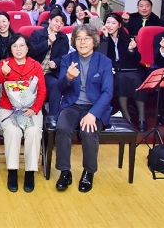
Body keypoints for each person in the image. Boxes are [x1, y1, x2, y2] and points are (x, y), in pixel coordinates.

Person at [55, 24, 113, 193]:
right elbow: (60, 88)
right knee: (62, 128)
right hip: (72, 105)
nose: (82, 42)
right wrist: (68, 78)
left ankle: (89, 172)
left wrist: (93, 113)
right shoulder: (68, 59)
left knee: (88, 131)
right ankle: (65, 171)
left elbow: (108, 92)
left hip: (95, 107)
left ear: (94, 41)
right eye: (78, 39)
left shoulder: (104, 62)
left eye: (86, 38)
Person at [0, 34, 47, 193]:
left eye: (21, 45)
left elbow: (42, 90)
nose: (18, 49)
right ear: (10, 48)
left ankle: (30, 172)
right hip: (8, 109)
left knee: (33, 131)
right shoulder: (4, 63)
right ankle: (12, 171)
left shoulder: (36, 65)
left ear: (27, 47)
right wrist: (3, 73)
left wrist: (35, 109)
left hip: (30, 109)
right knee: (13, 131)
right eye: (15, 46)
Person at [100, 13, 147, 131]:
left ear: (119, 25)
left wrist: (132, 50)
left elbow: (137, 59)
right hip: (113, 70)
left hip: (129, 68)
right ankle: (126, 116)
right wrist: (105, 38)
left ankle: (142, 118)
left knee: (137, 79)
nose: (110, 25)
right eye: (108, 22)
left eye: (113, 23)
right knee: (120, 79)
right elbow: (102, 57)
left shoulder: (128, 38)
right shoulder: (102, 39)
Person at [30, 10, 69, 129]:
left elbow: (63, 56)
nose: (58, 24)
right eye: (56, 21)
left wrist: (56, 62)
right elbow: (31, 52)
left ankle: (53, 118)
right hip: (32, 72)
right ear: (50, 20)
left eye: (62, 23)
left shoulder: (63, 38)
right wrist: (48, 42)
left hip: (48, 73)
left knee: (56, 85)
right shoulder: (37, 34)